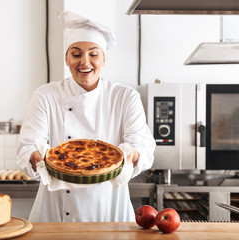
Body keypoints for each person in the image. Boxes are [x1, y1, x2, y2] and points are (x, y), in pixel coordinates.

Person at [17, 10, 156, 222]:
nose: (85, 62)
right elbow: (26, 148)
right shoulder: (46, 95)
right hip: (56, 212)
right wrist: (35, 157)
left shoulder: (125, 97)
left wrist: (132, 155)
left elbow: (142, 147)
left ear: (104, 59)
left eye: (93, 54)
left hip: (110, 207)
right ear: (66, 58)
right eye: (76, 54)